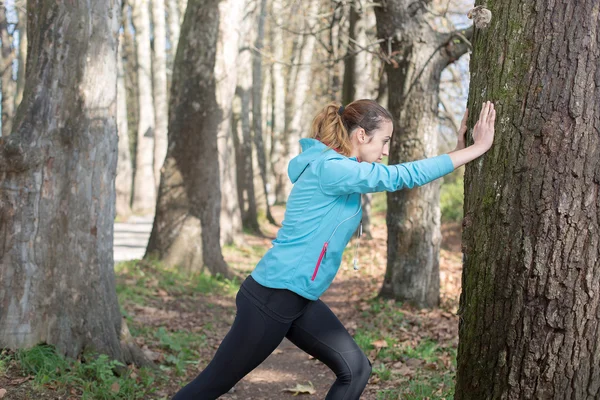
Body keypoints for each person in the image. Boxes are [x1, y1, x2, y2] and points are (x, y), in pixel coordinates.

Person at [172, 99, 496, 400]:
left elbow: (403, 174)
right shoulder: (332, 169)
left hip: (298, 298)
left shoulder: (339, 169)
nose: (386, 151)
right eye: (384, 141)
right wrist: (478, 148)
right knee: (211, 385)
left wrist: (460, 151)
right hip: (273, 296)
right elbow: (401, 176)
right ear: (361, 135)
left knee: (356, 370)